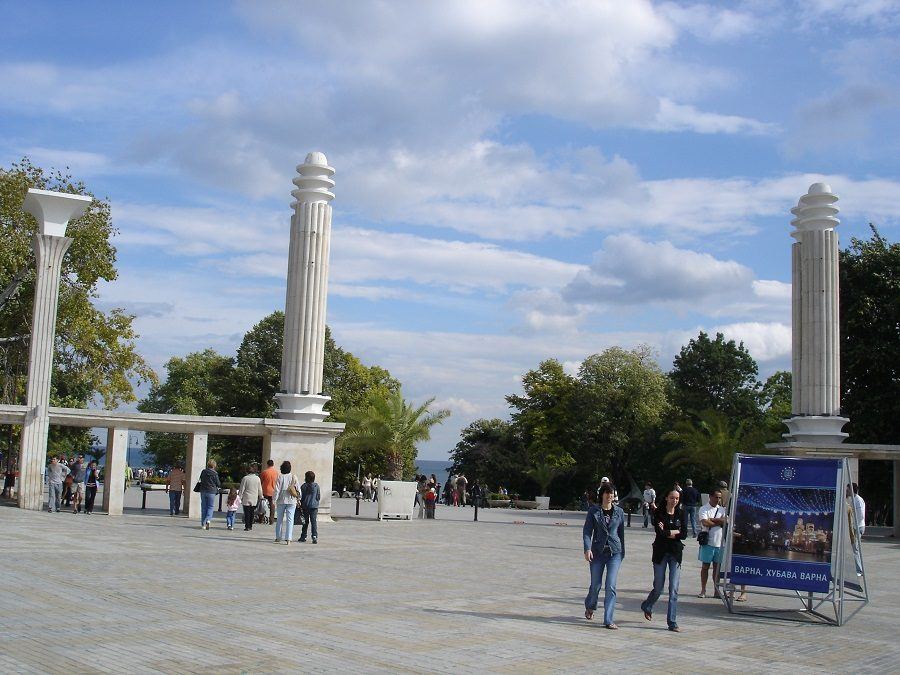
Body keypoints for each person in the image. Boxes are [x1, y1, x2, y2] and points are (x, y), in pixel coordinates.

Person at [641, 488, 688, 632]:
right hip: (661, 552)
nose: (674, 501)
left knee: (673, 588)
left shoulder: (682, 513)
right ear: (667, 498)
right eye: (672, 498)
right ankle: (647, 605)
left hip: (675, 553)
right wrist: (674, 531)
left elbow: (684, 534)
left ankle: (672, 622)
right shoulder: (659, 513)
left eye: (677, 499)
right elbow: (660, 533)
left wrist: (669, 532)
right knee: (659, 587)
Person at [582, 483, 625, 629]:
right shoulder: (593, 511)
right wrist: (587, 549)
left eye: (611, 493)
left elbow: (621, 534)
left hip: (614, 553)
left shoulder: (619, 512)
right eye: (606, 493)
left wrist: (622, 552)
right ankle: (590, 605)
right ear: (602, 495)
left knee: (611, 585)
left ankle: (608, 619)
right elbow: (587, 532)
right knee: (596, 585)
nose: (609, 496)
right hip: (598, 552)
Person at [698, 489, 727, 598]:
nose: (718, 499)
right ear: (710, 497)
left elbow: (725, 521)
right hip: (708, 542)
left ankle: (716, 590)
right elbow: (705, 522)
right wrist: (719, 522)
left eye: (719, 498)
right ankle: (703, 589)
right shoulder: (704, 508)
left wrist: (713, 520)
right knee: (705, 566)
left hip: (720, 543)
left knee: (717, 568)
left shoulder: (722, 510)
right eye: (716, 497)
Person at [273, 461, 300, 545]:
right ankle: (288, 538)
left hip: (281, 500)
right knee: (290, 519)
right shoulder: (293, 476)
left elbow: (277, 490)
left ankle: (278, 537)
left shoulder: (280, 477)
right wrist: (299, 498)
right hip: (292, 501)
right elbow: (298, 489)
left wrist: (274, 500)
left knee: (279, 520)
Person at [239, 463, 263, 531]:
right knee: (252, 512)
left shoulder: (245, 478)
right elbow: (260, 489)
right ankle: (250, 525)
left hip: (246, 497)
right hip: (254, 498)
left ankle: (247, 526)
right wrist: (261, 496)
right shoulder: (257, 478)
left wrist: (239, 497)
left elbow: (242, 489)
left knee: (247, 513)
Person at [299, 470, 321, 544]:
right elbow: (318, 496)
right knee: (313, 522)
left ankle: (303, 536)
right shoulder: (316, 486)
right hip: (314, 506)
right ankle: (314, 536)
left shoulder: (303, 486)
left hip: (305, 506)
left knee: (305, 522)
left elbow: (301, 497)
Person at [198, 460, 221, 530]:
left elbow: (200, 480)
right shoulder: (215, 473)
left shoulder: (203, 471)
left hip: (203, 491)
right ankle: (208, 520)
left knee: (204, 507)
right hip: (211, 492)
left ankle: (203, 524)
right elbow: (218, 483)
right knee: (210, 507)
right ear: (214, 465)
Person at [260, 459, 278, 525]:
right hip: (273, 491)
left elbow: (260, 482)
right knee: (272, 506)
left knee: (262, 504)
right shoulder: (276, 473)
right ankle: (271, 520)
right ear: (273, 464)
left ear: (267, 464)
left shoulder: (264, 472)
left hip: (265, 490)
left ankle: (261, 519)